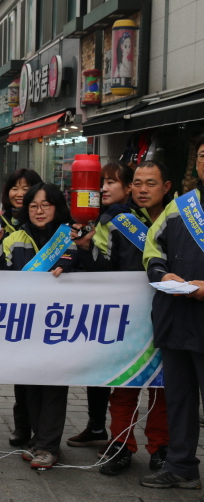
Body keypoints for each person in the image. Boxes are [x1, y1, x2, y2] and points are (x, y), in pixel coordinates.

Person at [74, 162, 170, 475]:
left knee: (163, 389)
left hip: (170, 314)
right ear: (131, 187)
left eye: (151, 183)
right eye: (138, 183)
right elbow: (102, 267)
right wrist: (85, 249)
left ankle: (160, 448)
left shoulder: (180, 218)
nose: (143, 190)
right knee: (125, 384)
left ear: (166, 187)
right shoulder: (116, 220)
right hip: (129, 320)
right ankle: (121, 446)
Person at [0, 183, 79, 469]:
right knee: (32, 386)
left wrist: (74, 264)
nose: (39, 211)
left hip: (60, 325)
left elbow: (93, 268)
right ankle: (39, 441)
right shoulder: (15, 238)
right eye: (34, 206)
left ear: (57, 207)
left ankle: (48, 446)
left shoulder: (71, 237)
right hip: (26, 325)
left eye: (46, 205)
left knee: (53, 386)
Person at [142, 151, 204, 497]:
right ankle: (181, 467)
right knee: (179, 398)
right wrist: (162, 273)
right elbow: (153, 247)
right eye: (203, 155)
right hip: (176, 316)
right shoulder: (181, 206)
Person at [66, 163, 134, 450]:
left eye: (112, 183)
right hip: (97, 305)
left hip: (120, 306)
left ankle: (122, 438)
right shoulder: (97, 218)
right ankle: (96, 424)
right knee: (97, 370)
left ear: (128, 188)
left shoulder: (127, 222)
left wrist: (87, 250)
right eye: (101, 182)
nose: (104, 188)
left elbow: (112, 269)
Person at [0, 168, 43, 446]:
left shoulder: (49, 226)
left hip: (45, 309)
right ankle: (22, 425)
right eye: (15, 187)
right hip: (16, 308)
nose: (20, 193)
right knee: (20, 371)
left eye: (27, 188)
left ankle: (43, 430)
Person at [0, 168, 42, 235]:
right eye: (15, 189)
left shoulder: (42, 222)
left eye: (25, 189)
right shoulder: (0, 224)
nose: (19, 194)